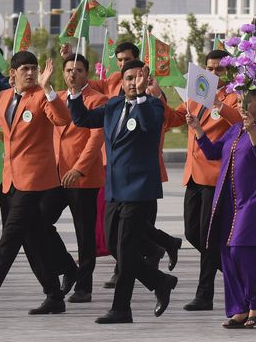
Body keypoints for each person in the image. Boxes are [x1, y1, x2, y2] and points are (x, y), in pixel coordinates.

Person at [0, 51, 74, 315]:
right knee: (33, 240)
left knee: (9, 239)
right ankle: (55, 295)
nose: (31, 73)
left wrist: (49, 90)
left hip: (35, 181)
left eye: (34, 68)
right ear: (12, 73)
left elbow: (63, 119)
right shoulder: (2, 98)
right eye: (25, 69)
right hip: (12, 179)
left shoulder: (41, 98)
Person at [68, 58, 177, 323]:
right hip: (115, 187)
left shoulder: (152, 106)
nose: (132, 83)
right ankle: (160, 281)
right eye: (128, 79)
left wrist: (142, 95)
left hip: (139, 189)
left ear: (145, 78)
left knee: (126, 249)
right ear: (122, 81)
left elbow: (150, 127)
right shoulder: (114, 105)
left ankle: (121, 308)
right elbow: (82, 118)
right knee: (115, 246)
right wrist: (73, 92)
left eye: (137, 78)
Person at [190, 77, 256, 328]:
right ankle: (239, 307)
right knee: (228, 253)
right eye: (239, 100)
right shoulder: (233, 129)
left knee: (243, 250)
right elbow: (211, 153)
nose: (241, 105)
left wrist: (252, 130)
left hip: (254, 200)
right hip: (229, 200)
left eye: (247, 101)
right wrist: (198, 129)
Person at [41, 52, 108, 303]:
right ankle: (68, 267)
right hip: (56, 175)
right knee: (40, 222)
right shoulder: (55, 98)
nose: (73, 74)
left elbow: (95, 139)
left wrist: (78, 168)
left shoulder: (98, 100)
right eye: (69, 70)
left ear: (86, 74)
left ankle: (84, 287)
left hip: (83, 177)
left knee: (84, 233)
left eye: (79, 70)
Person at [180, 49, 243, 311]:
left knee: (207, 237)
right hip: (193, 173)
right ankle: (237, 273)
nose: (214, 73)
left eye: (219, 69)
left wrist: (219, 105)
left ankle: (204, 294)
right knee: (192, 232)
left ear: (229, 72)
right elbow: (176, 116)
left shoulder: (235, 96)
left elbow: (241, 120)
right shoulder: (197, 94)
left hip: (215, 175)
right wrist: (156, 95)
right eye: (210, 68)